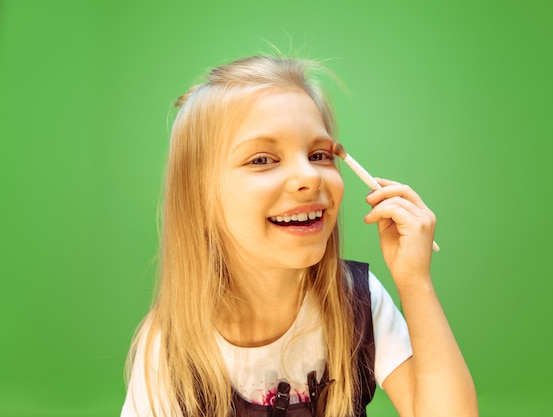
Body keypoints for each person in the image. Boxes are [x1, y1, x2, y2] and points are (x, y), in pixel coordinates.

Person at [121, 54, 478, 417]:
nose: (310, 177)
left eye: (319, 154)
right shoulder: (170, 348)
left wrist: (415, 282)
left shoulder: (356, 299)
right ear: (200, 196)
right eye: (262, 159)